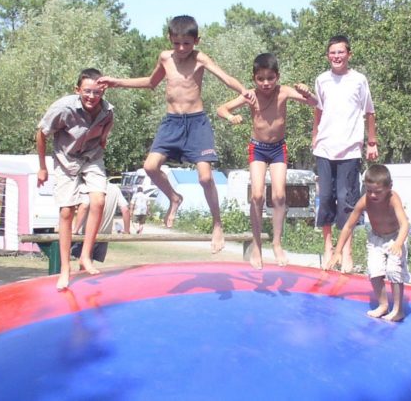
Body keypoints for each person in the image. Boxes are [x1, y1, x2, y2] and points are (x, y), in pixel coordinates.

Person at [97, 15, 254, 253]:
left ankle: (217, 224)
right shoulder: (165, 58)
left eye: (187, 44)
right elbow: (151, 82)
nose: (181, 49)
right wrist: (117, 82)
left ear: (196, 41)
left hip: (196, 123)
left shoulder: (200, 58)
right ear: (170, 39)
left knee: (204, 178)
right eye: (176, 43)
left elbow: (224, 77)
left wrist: (244, 90)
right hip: (171, 123)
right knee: (150, 167)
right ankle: (174, 197)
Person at [217, 53, 317, 270]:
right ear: (254, 78)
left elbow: (316, 103)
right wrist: (231, 117)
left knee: (280, 195)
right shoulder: (250, 95)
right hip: (258, 149)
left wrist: (307, 92)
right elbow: (221, 109)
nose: (266, 83)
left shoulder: (284, 92)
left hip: (278, 148)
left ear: (277, 76)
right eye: (261, 79)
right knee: (257, 195)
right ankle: (256, 246)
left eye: (270, 78)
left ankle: (277, 243)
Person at [36, 68, 114, 290]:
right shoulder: (64, 108)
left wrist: (104, 138)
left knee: (98, 200)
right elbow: (41, 133)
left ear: (103, 91)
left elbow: (108, 123)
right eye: (87, 91)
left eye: (97, 92)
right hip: (65, 159)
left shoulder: (107, 111)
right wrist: (42, 168)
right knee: (66, 211)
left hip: (91, 157)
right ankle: (65, 269)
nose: (92, 97)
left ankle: (85, 257)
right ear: (78, 90)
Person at [313, 35, 379, 272]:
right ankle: (329, 247)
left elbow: (369, 112)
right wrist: (314, 136)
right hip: (325, 147)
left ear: (349, 54)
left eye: (341, 52)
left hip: (350, 149)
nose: (336, 57)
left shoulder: (359, 80)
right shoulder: (321, 80)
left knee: (346, 200)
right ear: (327, 55)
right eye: (332, 53)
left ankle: (347, 251)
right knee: (327, 199)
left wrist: (371, 142)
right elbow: (318, 111)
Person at [326, 164, 410, 322]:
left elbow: (405, 224)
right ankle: (383, 304)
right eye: (369, 190)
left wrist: (398, 243)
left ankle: (398, 310)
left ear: (389, 187)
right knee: (374, 271)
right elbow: (348, 226)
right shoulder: (364, 201)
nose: (372, 195)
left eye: (377, 192)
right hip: (376, 238)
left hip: (395, 237)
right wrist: (337, 252)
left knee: (394, 271)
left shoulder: (393, 198)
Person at [72, 181, 131, 263]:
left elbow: (84, 206)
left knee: (83, 264)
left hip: (86, 234)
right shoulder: (115, 189)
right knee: (88, 264)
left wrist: (75, 229)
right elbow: (125, 210)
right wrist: (126, 231)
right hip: (103, 236)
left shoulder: (88, 185)